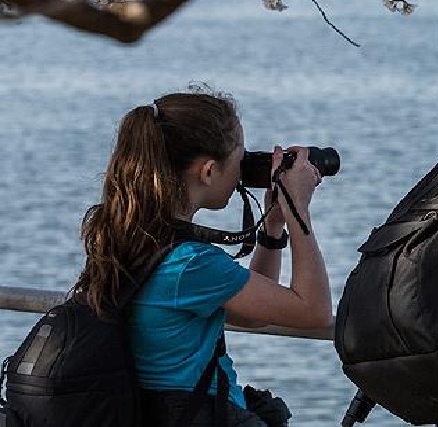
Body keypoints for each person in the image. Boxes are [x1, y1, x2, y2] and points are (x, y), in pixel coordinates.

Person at [71, 89, 334, 426]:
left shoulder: (128, 238)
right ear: (208, 172)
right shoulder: (192, 264)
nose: (243, 172)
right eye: (240, 161)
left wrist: (273, 225)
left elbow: (256, 313)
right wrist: (299, 211)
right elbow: (316, 312)